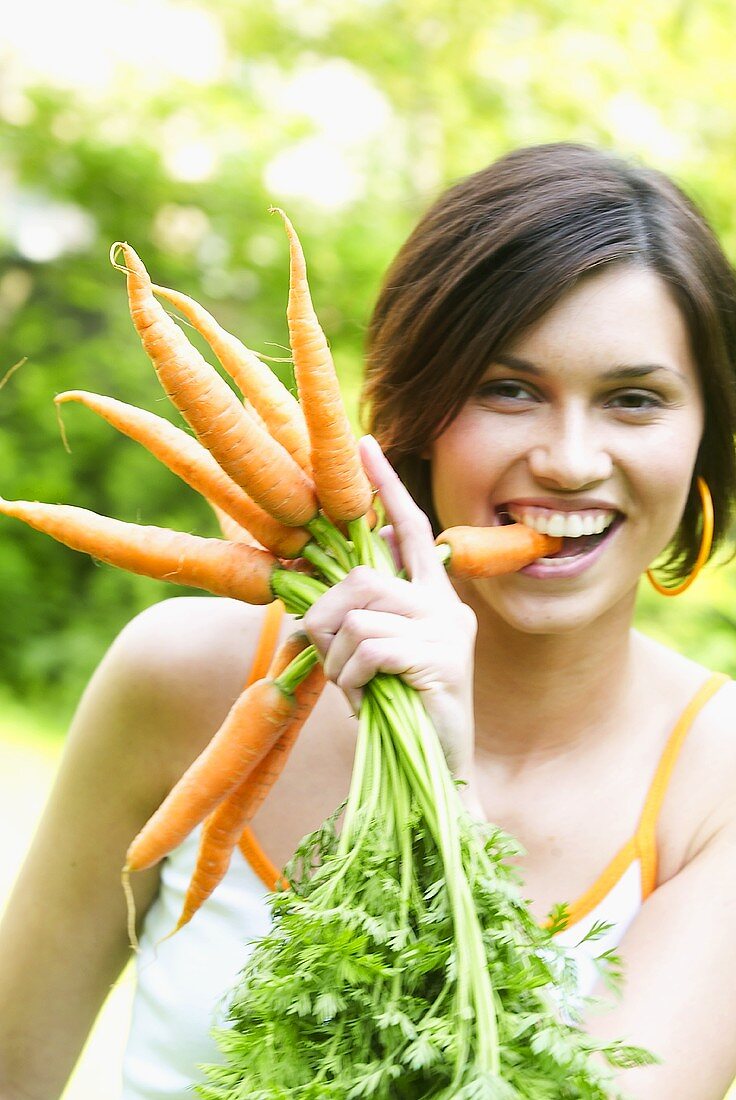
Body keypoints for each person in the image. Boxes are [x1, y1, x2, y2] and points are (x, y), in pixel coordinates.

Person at [1, 141, 736, 1100]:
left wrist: (446, 794)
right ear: (417, 413)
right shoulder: (181, 679)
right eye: (508, 389)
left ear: (705, 437)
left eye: (634, 400)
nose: (569, 460)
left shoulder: (716, 785)